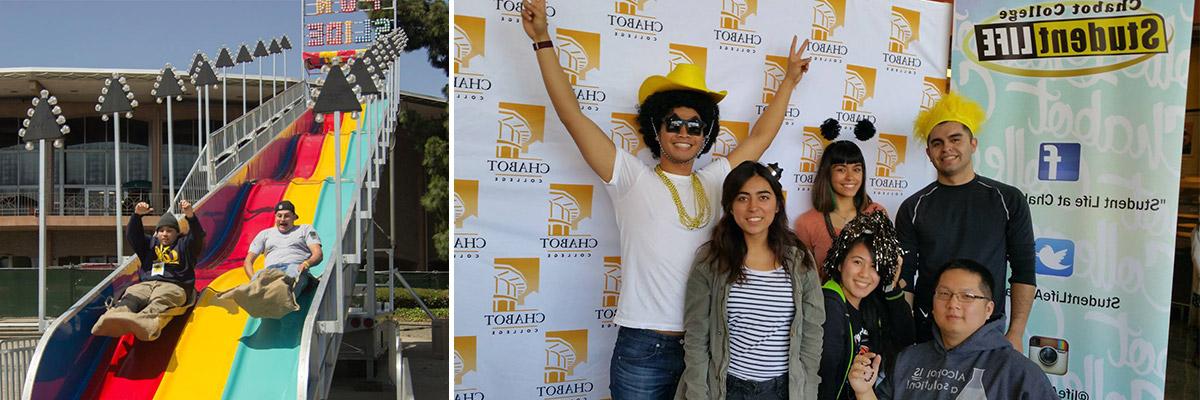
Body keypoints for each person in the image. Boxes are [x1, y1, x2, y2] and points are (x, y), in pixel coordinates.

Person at [521, 0, 812, 397]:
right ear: (655, 129)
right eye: (673, 123)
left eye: (695, 125)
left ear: (705, 134)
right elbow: (572, 115)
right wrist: (542, 41)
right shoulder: (628, 177)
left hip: (707, 345)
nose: (684, 132)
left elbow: (761, 137)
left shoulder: (716, 181)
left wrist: (789, 82)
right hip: (644, 347)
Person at [896, 92, 1036, 349]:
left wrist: (1016, 332)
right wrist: (905, 336)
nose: (946, 148)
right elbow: (905, 280)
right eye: (937, 143)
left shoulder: (1007, 199)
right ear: (928, 153)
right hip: (929, 333)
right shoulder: (913, 207)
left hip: (988, 332)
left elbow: (1024, 270)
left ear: (973, 144)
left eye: (955, 139)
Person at [680, 161, 824, 400]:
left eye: (764, 197)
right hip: (728, 388)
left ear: (777, 205)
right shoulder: (711, 261)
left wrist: (807, 391)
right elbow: (696, 337)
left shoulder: (798, 259)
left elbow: (812, 332)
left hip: (783, 390)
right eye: (743, 198)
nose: (753, 207)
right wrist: (697, 394)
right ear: (730, 206)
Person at [846, 259, 1056, 399]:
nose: (953, 304)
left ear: (988, 309)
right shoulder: (908, 360)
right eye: (944, 294)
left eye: (967, 296)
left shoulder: (1018, 372)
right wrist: (864, 392)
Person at [816, 211, 913, 400]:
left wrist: (890, 288)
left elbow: (906, 341)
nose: (864, 274)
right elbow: (825, 377)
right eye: (857, 262)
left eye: (875, 266)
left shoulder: (871, 303)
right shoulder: (830, 305)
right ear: (840, 263)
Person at [92, 199, 205, 341]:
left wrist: (190, 217)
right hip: (147, 284)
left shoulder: (185, 245)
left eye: (169, 231)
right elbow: (134, 236)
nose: (165, 234)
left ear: (177, 233)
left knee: (161, 299)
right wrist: (137, 216)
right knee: (132, 293)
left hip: (174, 285)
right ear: (156, 233)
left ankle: (146, 322)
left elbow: (197, 237)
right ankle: (115, 316)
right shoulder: (150, 245)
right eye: (161, 231)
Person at [794, 140, 885, 280]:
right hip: (826, 299)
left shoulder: (877, 213)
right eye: (841, 170)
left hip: (871, 299)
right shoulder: (806, 222)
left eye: (856, 169)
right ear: (827, 173)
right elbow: (805, 280)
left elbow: (887, 265)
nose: (850, 177)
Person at [243, 200, 322, 295]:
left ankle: (281, 293)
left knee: (290, 276)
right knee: (260, 275)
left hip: (294, 267)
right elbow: (248, 261)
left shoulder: (305, 229)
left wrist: (306, 264)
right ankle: (260, 293)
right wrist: (253, 279)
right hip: (271, 271)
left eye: (287, 216)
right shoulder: (264, 234)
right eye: (279, 216)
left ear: (294, 217)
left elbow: (318, 254)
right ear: (275, 217)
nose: (282, 219)